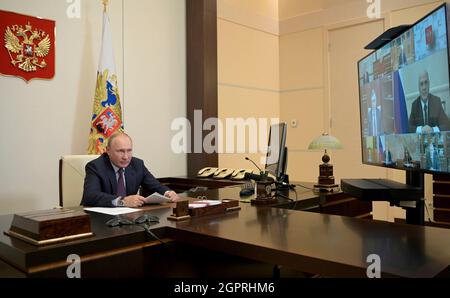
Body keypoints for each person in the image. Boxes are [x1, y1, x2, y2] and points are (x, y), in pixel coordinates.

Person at [81, 132, 179, 207]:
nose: (126, 157)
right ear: (108, 150)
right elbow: (90, 196)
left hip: (129, 218)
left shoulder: (137, 164)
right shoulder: (96, 167)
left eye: (129, 151)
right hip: (101, 220)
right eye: (120, 151)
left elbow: (154, 185)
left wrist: (168, 193)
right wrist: (122, 201)